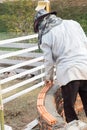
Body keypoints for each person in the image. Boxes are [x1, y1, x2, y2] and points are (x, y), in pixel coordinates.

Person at [34, 9, 87, 123]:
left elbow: (48, 61)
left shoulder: (47, 35)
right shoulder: (73, 23)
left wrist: (49, 78)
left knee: (69, 108)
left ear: (41, 23)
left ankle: (73, 126)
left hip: (68, 73)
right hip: (85, 67)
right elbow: (85, 43)